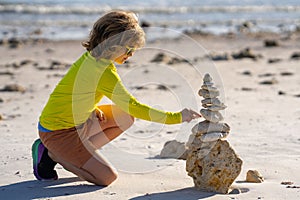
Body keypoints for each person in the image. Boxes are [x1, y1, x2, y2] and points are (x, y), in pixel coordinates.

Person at [32, 10, 201, 186]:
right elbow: (134, 106)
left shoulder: (93, 57)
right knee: (107, 178)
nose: (132, 54)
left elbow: (76, 91)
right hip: (58, 133)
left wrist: (90, 108)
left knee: (125, 117)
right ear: (112, 44)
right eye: (129, 49)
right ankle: (52, 154)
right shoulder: (103, 72)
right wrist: (177, 117)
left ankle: (78, 153)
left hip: (77, 122)